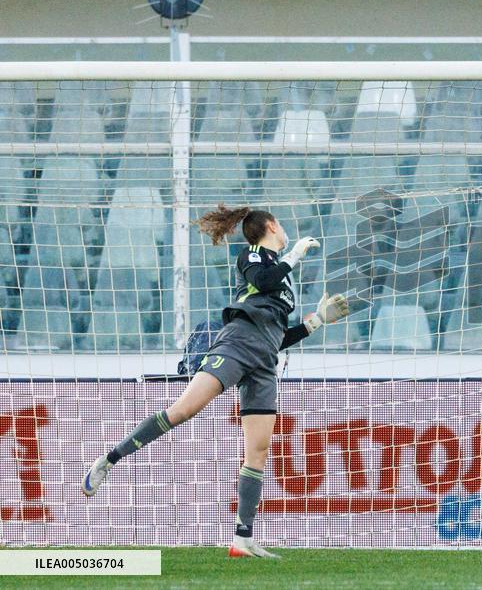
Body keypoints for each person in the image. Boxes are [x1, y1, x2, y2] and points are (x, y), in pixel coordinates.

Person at [81, 205, 349, 558]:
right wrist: (296, 254)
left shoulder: (284, 281)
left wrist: (316, 321)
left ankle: (242, 538)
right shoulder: (253, 256)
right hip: (237, 344)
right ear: (270, 226)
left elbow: (278, 336)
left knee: (259, 451)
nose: (286, 233)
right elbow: (264, 282)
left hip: (265, 359)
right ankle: (110, 460)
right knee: (184, 410)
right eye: (281, 225)